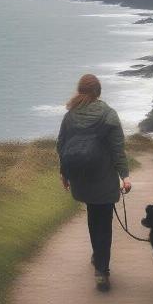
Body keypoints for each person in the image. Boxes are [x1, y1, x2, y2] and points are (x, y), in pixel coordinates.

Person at [56, 74, 131, 292]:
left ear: (80, 91)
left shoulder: (70, 116)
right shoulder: (109, 114)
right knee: (104, 222)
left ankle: (98, 258)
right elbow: (118, 150)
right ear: (98, 92)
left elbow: (61, 146)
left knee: (92, 217)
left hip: (81, 177)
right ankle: (102, 270)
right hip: (104, 178)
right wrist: (125, 176)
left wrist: (64, 173)